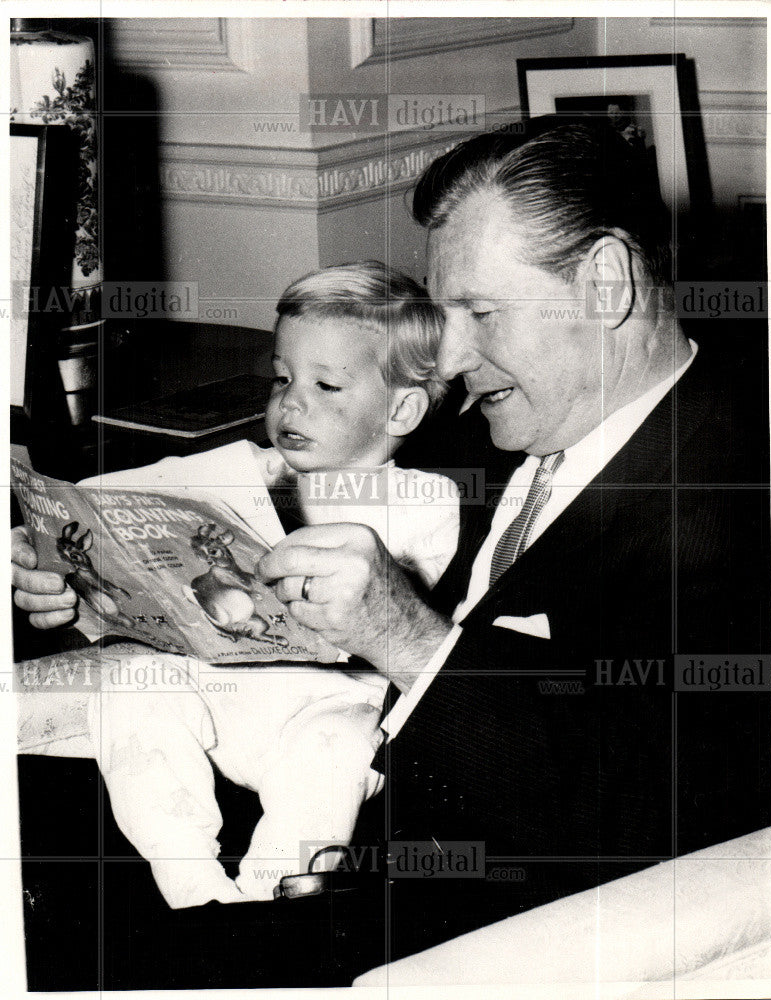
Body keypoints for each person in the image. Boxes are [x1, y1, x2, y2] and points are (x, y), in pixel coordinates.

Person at [12, 117, 771, 986]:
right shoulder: (493, 422)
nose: (447, 357)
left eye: (481, 313)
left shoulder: (741, 497)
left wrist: (410, 639)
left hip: (425, 901)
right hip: (239, 776)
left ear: (604, 282)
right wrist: (89, 585)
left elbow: (668, 810)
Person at [15, 261, 459, 909]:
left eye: (326, 384)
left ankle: (268, 900)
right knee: (133, 698)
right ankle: (190, 884)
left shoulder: (427, 500)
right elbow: (95, 504)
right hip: (213, 687)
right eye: (282, 378)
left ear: (403, 409)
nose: (292, 401)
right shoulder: (241, 467)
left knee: (336, 753)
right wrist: (44, 556)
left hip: (321, 705)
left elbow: (406, 610)